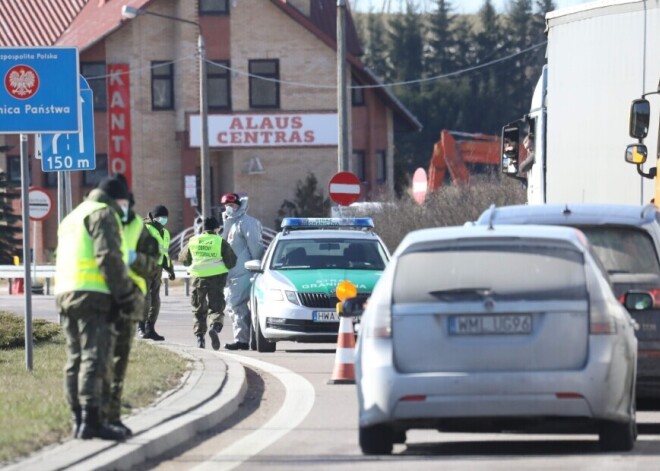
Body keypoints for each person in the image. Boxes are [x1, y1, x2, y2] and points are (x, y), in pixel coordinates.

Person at [55, 173, 140, 441]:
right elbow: (109, 258)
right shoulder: (105, 214)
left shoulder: (73, 216)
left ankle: (77, 419)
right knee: (95, 356)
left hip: (65, 292)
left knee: (75, 358)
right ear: (119, 200)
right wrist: (125, 296)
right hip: (93, 295)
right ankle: (92, 421)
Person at [101, 193, 159, 436]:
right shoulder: (130, 224)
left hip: (113, 297)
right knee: (104, 360)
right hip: (107, 297)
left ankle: (97, 418)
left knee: (105, 360)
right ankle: (97, 417)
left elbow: (154, 255)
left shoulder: (136, 225)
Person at [179, 217, 237, 349]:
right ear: (216, 229)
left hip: (198, 279)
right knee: (216, 307)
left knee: (198, 308)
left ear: (203, 229)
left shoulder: (193, 241)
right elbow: (231, 261)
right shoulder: (220, 241)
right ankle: (214, 328)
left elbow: (183, 259)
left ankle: (200, 338)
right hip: (217, 279)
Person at [220, 193, 265, 350]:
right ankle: (244, 338)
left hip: (245, 272)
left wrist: (258, 265)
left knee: (237, 305)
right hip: (232, 274)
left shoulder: (246, 223)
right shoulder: (228, 223)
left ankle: (242, 340)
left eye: (232, 205)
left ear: (240, 205)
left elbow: (256, 246)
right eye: (227, 206)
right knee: (234, 307)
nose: (229, 209)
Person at [139, 205, 175, 341]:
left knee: (156, 301)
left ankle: (150, 328)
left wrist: (170, 269)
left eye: (166, 217)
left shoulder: (165, 233)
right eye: (161, 217)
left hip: (157, 270)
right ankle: (140, 326)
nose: (164, 220)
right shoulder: (144, 229)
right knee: (145, 299)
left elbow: (164, 253)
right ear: (154, 217)